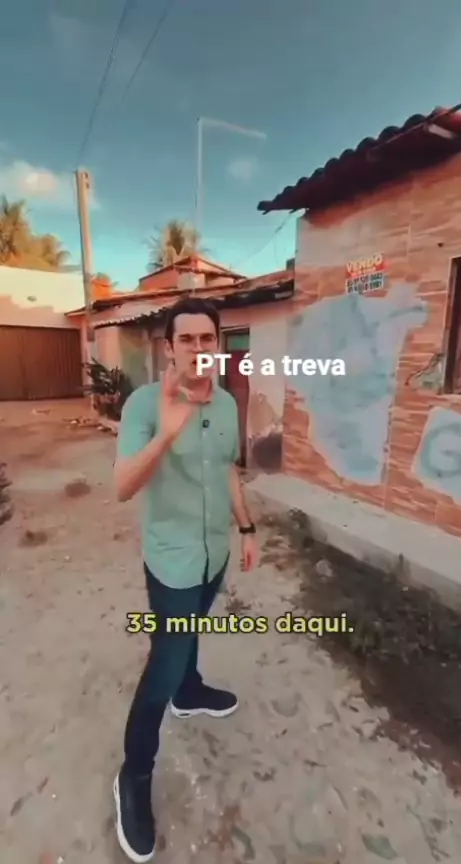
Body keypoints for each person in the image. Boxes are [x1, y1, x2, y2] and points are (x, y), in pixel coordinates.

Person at [112, 297, 258, 862]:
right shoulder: (144, 404)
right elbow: (122, 486)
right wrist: (166, 435)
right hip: (171, 561)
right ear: (169, 347)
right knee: (163, 665)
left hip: (212, 551)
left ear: (217, 345)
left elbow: (227, 470)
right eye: (187, 339)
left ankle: (190, 691)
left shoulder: (226, 404)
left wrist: (247, 527)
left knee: (191, 636)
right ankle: (132, 777)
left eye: (207, 339)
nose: (199, 348)